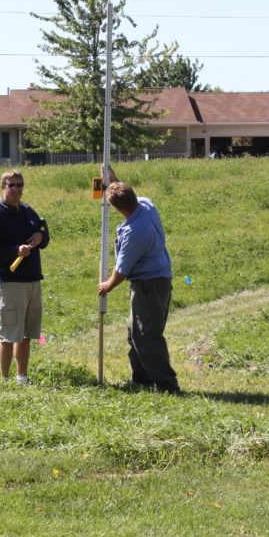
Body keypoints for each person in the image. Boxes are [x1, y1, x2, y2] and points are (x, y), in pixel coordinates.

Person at [97, 166, 180, 394]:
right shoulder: (145, 205)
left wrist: (107, 286)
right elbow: (125, 195)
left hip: (149, 286)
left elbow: (122, 270)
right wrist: (114, 181)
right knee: (135, 335)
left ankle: (167, 385)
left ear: (117, 208)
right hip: (154, 281)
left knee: (147, 336)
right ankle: (141, 380)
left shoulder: (136, 232)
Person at [0, 170, 49, 383]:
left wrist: (42, 236)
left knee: (28, 333)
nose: (17, 189)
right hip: (9, 283)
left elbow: (42, 232)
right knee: (9, 334)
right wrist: (15, 251)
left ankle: (22, 377)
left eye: (20, 185)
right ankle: (5, 379)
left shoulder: (28, 211)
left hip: (32, 280)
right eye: (12, 185)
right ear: (3, 187)